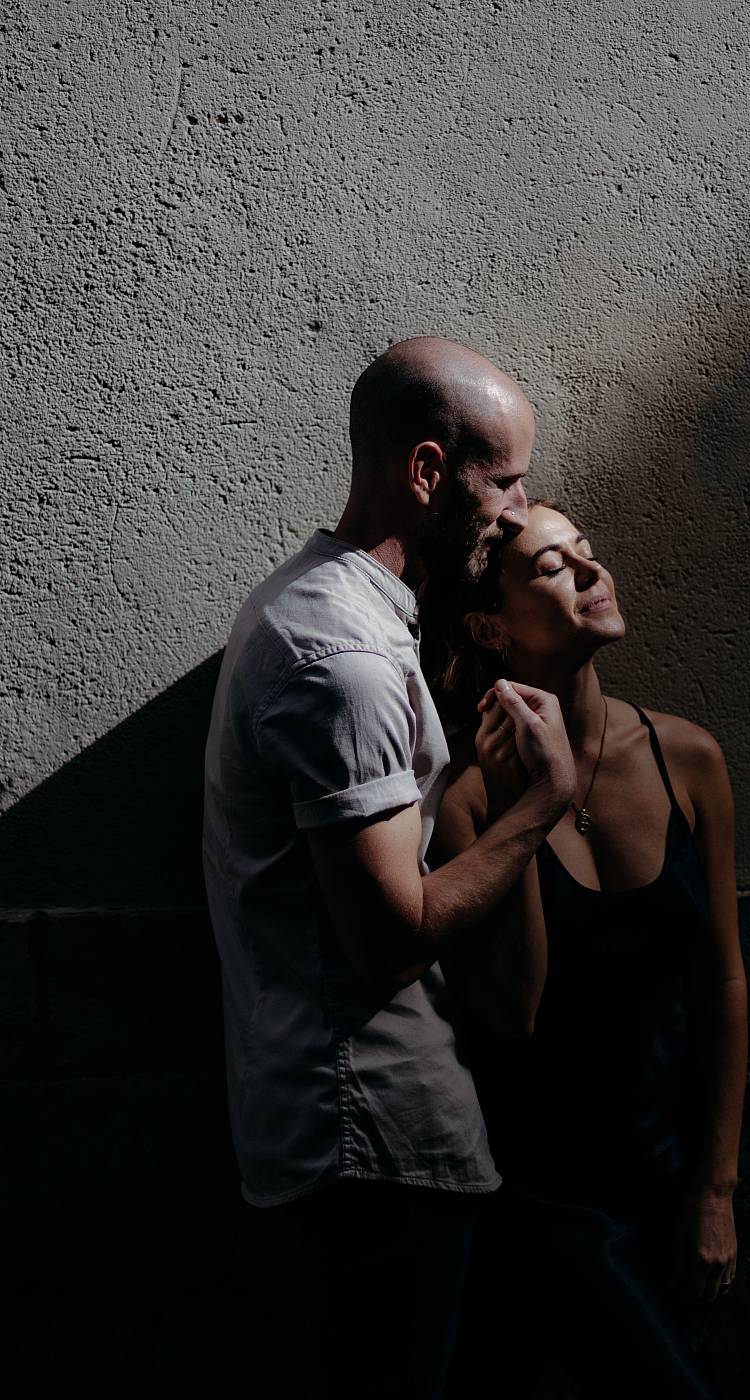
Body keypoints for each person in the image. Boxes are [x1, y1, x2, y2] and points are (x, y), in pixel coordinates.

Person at [202, 340, 577, 1400]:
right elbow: (387, 933)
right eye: (502, 480)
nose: (518, 509)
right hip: (371, 1147)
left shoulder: (326, 610)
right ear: (424, 471)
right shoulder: (347, 662)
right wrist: (542, 803)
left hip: (357, 1143)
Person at [425, 502, 748, 1399]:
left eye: (588, 554)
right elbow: (517, 1006)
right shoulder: (470, 802)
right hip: (551, 1203)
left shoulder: (688, 759)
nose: (590, 571)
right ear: (491, 625)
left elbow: (721, 977)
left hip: (673, 1183)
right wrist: (533, 800)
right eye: (552, 566)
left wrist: (716, 1189)